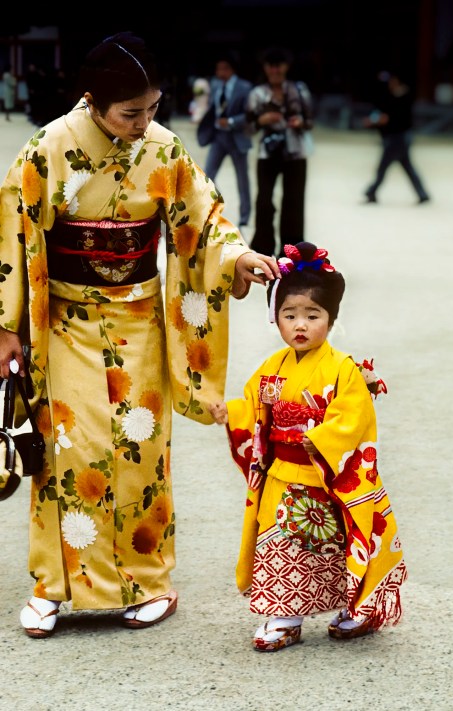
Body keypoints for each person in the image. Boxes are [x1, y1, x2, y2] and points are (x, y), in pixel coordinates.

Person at [0, 31, 280, 639]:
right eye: (132, 112)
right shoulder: (50, 147)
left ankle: (147, 579)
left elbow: (201, 220)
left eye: (154, 108)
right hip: (68, 320)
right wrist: (7, 326)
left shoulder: (164, 149)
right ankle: (54, 583)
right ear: (94, 101)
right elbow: (17, 237)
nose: (145, 122)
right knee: (68, 448)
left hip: (139, 320)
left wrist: (235, 259)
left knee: (140, 449)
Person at [209, 241, 407, 652]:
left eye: (312, 315)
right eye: (289, 315)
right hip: (283, 475)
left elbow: (351, 419)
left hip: (326, 477)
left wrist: (317, 438)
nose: (300, 325)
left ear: (331, 320)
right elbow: (253, 405)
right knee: (281, 547)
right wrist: (233, 413)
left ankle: (356, 607)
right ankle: (285, 616)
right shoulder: (272, 367)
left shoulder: (343, 369)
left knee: (335, 548)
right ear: (275, 319)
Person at [245, 48, 314, 259]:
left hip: (295, 151)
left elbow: (310, 121)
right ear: (265, 68)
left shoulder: (299, 90)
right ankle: (263, 248)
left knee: (294, 200)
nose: (275, 70)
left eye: (279, 65)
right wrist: (261, 121)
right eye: (271, 65)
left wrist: (300, 123)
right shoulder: (257, 94)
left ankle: (291, 249)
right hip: (267, 151)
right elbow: (248, 127)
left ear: (286, 67)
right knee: (264, 200)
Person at [202, 53, 253, 233]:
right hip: (218, 137)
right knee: (207, 175)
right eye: (218, 69)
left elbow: (249, 114)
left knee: (242, 179)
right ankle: (210, 209)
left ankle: (245, 217)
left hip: (236, 137)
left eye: (223, 68)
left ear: (231, 69)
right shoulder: (216, 85)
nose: (219, 72)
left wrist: (231, 121)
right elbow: (211, 107)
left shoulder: (244, 87)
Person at [363, 70, 430, 204]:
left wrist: (373, 122)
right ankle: (422, 194)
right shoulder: (398, 96)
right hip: (401, 137)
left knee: (383, 167)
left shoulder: (401, 98)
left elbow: (387, 118)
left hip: (397, 138)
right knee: (407, 167)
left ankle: (372, 191)